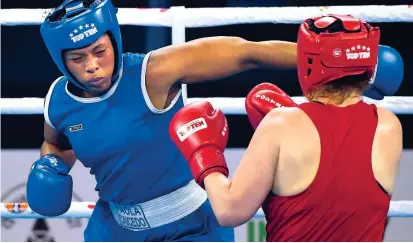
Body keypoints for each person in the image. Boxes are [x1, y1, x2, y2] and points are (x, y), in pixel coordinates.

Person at [25, 0, 306, 241]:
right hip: (116, 229)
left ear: (114, 40)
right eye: (77, 58)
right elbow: (57, 143)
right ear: (61, 61)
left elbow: (246, 54)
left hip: (193, 225)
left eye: (100, 51)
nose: (92, 65)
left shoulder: (153, 74)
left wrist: (318, 55)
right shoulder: (59, 101)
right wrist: (51, 165)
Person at [169, 14, 404, 241]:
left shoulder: (281, 124)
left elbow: (229, 210)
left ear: (307, 61)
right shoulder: (389, 125)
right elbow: (339, 184)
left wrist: (206, 157)